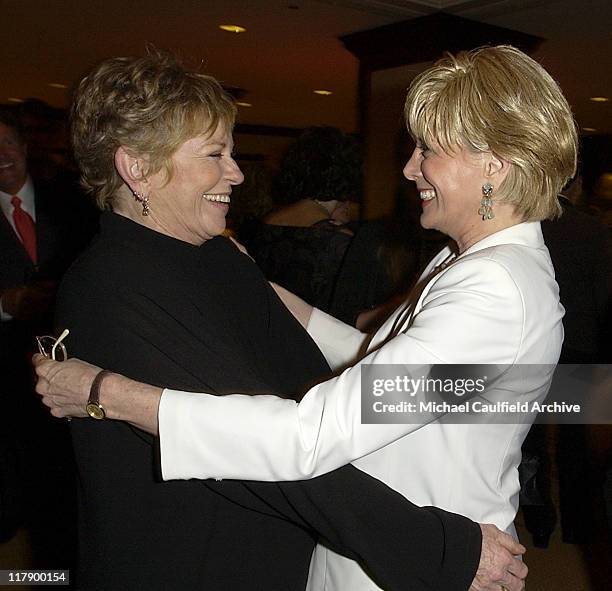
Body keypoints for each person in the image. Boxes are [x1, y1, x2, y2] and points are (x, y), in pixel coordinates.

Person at [32, 50, 525, 591]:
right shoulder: (113, 283)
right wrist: (435, 547)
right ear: (138, 168)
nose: (237, 173)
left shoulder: (216, 257)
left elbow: (308, 399)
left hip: (267, 553)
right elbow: (270, 461)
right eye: (215, 154)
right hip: (188, 563)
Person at [0, 107, 95, 562]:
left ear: (23, 147)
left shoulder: (71, 202)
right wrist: (4, 304)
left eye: (9, 143)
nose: (2, 155)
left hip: (74, 374)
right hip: (6, 385)